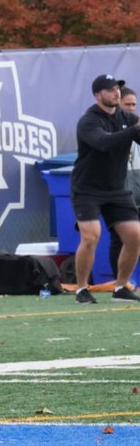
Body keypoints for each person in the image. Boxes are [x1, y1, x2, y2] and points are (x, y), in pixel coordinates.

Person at [70, 73, 140, 303]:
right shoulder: (89, 121)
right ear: (98, 95)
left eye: (117, 88)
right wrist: (134, 129)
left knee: (135, 236)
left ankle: (120, 288)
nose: (116, 92)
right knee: (91, 237)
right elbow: (104, 143)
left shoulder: (126, 118)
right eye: (110, 90)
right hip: (87, 189)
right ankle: (81, 289)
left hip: (116, 189)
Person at [107, 86, 140, 281]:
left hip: (137, 195)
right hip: (118, 197)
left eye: (134, 105)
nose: (131, 108)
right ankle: (120, 283)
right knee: (119, 240)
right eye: (127, 104)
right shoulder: (107, 128)